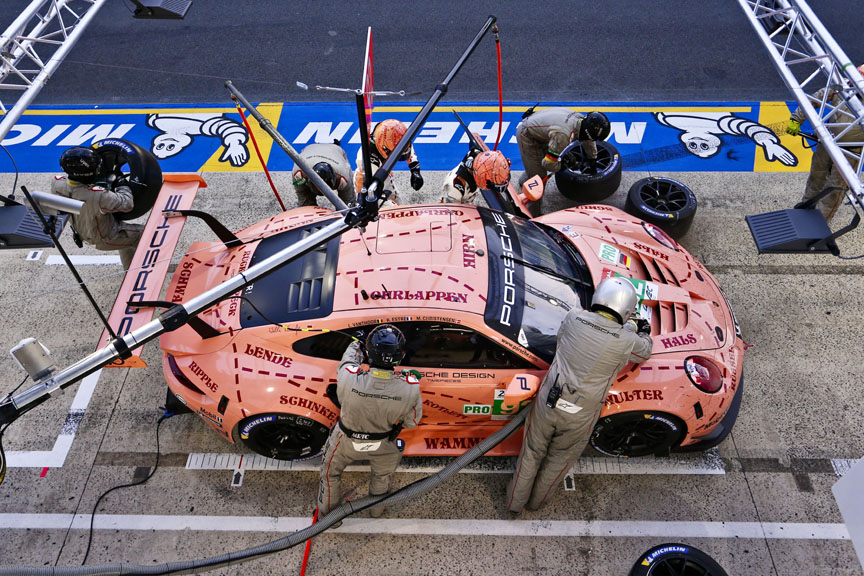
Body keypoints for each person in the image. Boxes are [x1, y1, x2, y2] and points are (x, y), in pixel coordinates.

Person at [506, 277, 653, 513]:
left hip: (549, 401)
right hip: (580, 413)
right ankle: (536, 504)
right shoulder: (627, 340)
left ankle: (514, 504)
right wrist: (641, 329)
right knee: (558, 462)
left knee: (531, 454)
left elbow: (562, 338)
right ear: (625, 310)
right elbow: (644, 351)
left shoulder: (574, 317)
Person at [317, 324, 423, 521]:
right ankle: (376, 512)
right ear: (401, 355)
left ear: (369, 353)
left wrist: (356, 342)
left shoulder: (349, 375)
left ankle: (329, 520)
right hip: (383, 445)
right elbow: (411, 423)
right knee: (381, 478)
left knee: (330, 477)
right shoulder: (410, 388)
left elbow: (349, 359)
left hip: (344, 442)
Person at [786, 64, 864, 222]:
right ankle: (805, 208)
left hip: (851, 152)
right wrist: (796, 118)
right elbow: (813, 99)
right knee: (816, 175)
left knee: (835, 189)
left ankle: (820, 224)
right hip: (828, 142)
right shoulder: (841, 87)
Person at [51, 146, 144, 270]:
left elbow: (80, 193)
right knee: (149, 234)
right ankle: (152, 272)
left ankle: (130, 273)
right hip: (106, 237)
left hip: (84, 232)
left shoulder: (57, 184)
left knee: (126, 241)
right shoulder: (97, 195)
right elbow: (127, 204)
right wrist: (121, 181)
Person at [516, 108, 610, 187]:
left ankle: (527, 177)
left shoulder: (582, 120)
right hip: (527, 135)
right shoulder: (563, 136)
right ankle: (529, 209)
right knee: (538, 180)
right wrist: (562, 166)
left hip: (540, 129)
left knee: (536, 166)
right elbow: (548, 164)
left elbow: (589, 141)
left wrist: (592, 159)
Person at [354, 119, 424, 205]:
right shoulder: (368, 163)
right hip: (369, 186)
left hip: (384, 173)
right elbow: (363, 189)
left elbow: (406, 146)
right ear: (383, 148)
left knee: (400, 203)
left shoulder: (393, 138)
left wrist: (415, 170)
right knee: (395, 210)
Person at [291, 142, 355, 208]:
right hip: (309, 149)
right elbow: (301, 193)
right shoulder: (300, 171)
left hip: (336, 151)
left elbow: (348, 202)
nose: (320, 191)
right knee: (305, 203)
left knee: (347, 205)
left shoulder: (343, 177)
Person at [440, 149, 511, 205]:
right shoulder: (455, 190)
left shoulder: (479, 158)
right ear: (482, 179)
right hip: (454, 207)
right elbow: (449, 215)